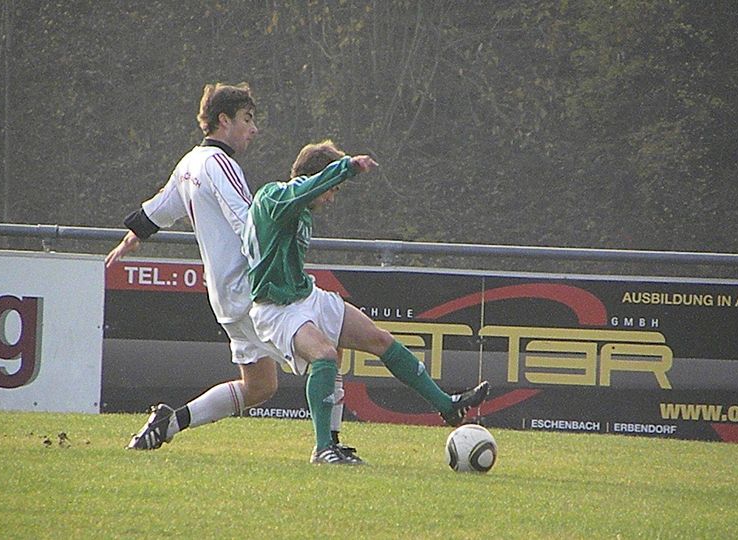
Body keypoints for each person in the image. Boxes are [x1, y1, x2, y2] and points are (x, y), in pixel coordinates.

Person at [105, 83, 357, 458]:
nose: (253, 129)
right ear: (224, 121)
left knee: (259, 387)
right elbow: (248, 221)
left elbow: (160, 208)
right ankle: (330, 447)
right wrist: (279, 251)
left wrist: (133, 237)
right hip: (251, 290)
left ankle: (168, 422)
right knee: (326, 345)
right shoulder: (221, 164)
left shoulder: (189, 163)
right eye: (247, 119)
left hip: (222, 296)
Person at [242, 140, 490, 465]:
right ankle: (322, 450)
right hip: (276, 307)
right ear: (318, 177)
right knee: (324, 355)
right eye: (333, 189)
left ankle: (447, 405)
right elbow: (301, 193)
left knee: (379, 339)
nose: (332, 198)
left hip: (304, 295)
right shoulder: (274, 195)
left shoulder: (299, 208)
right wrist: (348, 168)